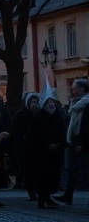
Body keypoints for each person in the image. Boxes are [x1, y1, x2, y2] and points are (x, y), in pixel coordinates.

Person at [53, 78, 89, 206]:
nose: (73, 90)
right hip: (74, 139)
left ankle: (68, 195)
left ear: (82, 89)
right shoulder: (75, 103)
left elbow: (85, 125)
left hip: (82, 141)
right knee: (73, 169)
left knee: (82, 169)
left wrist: (80, 142)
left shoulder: (85, 103)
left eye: (75, 88)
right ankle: (68, 195)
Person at [31, 97, 66, 208]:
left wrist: (60, 143)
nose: (51, 105)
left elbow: (62, 131)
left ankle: (48, 197)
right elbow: (36, 134)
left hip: (56, 150)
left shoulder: (58, 116)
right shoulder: (39, 116)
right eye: (48, 103)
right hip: (42, 151)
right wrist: (47, 143)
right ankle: (42, 198)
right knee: (43, 175)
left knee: (53, 174)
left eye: (52, 102)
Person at [10, 93, 40, 201]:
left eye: (36, 102)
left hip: (35, 146)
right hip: (23, 146)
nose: (34, 104)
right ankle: (30, 190)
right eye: (32, 102)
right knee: (27, 169)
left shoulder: (38, 114)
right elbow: (15, 131)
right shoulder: (20, 115)